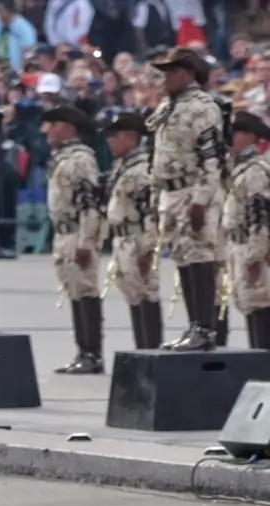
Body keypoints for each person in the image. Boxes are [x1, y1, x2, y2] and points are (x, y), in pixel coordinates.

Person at [145, 48, 226, 352]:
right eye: (163, 72)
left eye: (172, 71)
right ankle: (194, 326)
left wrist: (202, 200)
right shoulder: (169, 106)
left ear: (189, 73)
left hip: (193, 190)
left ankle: (205, 328)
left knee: (200, 258)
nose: (165, 78)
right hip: (170, 192)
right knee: (183, 258)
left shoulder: (202, 107)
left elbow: (212, 158)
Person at [43, 105, 104, 374]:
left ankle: (92, 354)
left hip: (77, 233)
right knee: (74, 290)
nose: (47, 131)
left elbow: (90, 203)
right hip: (63, 232)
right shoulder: (62, 157)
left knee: (86, 290)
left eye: (53, 124)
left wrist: (86, 241)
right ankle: (83, 351)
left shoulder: (80, 159)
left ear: (69, 127)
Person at [101, 112, 162, 349]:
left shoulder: (142, 169)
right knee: (134, 294)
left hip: (137, 238)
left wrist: (148, 249)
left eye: (114, 136)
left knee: (146, 294)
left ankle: (151, 350)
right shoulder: (123, 167)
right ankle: (142, 350)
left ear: (131, 137)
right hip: (122, 237)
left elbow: (151, 211)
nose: (110, 141)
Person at [221, 111, 270, 348]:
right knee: (248, 304)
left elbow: (259, 216)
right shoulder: (238, 167)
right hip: (236, 245)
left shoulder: (255, 170)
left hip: (251, 249)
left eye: (236, 134)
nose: (231, 139)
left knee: (260, 306)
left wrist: (254, 256)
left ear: (250, 136)